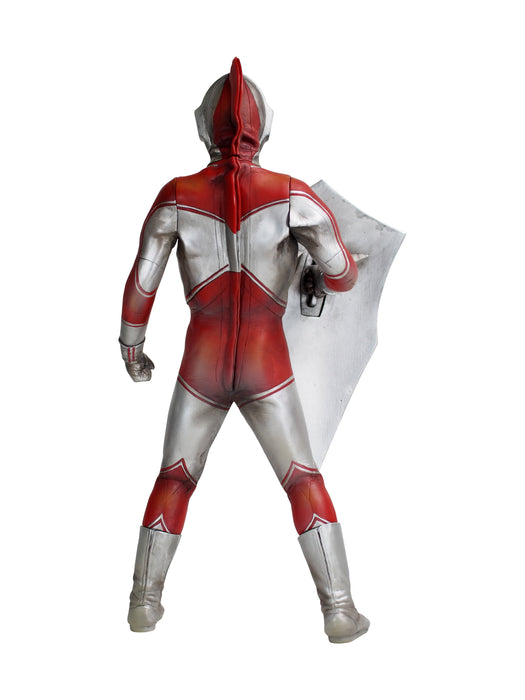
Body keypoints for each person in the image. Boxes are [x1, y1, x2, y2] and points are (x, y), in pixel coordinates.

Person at [120, 58, 369, 643]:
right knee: (302, 478)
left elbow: (143, 281)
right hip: (267, 364)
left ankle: (143, 602)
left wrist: (132, 347)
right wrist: (316, 269)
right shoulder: (294, 196)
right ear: (267, 128)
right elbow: (343, 274)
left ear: (204, 127)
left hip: (201, 364)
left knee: (175, 478)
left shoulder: (175, 197)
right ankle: (338, 609)